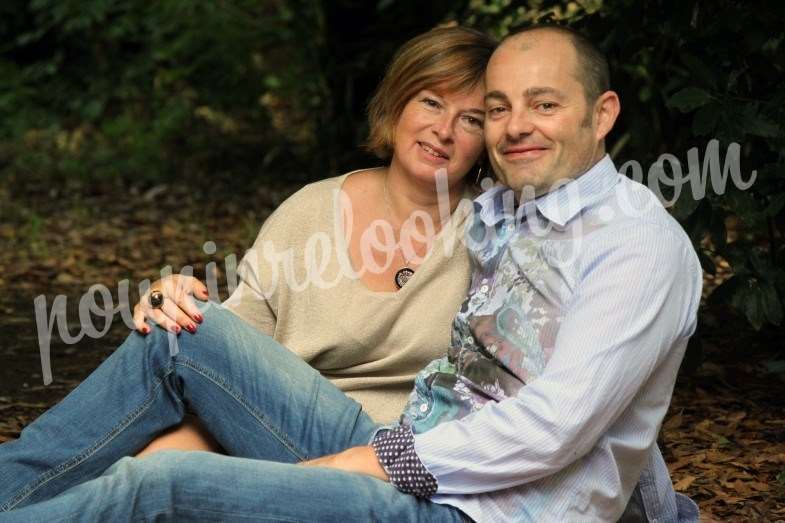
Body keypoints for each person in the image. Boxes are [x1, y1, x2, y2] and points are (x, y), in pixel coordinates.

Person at [0, 25, 701, 522]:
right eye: (499, 109)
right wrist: (175, 296)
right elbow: (614, 397)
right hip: (400, 447)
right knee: (178, 335)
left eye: (543, 104)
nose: (512, 126)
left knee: (152, 486)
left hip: (468, 503)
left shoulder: (625, 241)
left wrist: (368, 462)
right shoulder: (521, 213)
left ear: (601, 113)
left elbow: (566, 423)